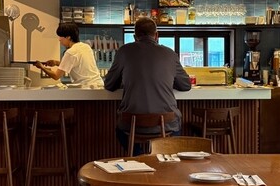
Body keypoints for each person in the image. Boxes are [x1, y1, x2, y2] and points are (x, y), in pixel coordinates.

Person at [104, 17, 191, 151]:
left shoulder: (124, 51)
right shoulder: (170, 54)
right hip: (167, 125)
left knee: (122, 132)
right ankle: (157, 158)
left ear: (135, 37)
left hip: (131, 124)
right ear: (156, 35)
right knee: (174, 128)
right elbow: (185, 85)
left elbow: (109, 85)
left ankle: (139, 158)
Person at [34, 22, 103, 88]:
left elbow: (56, 76)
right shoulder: (86, 47)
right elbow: (74, 63)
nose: (59, 39)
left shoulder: (70, 52)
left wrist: (41, 67)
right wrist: (56, 63)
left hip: (86, 87)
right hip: (99, 85)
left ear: (68, 37)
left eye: (61, 36)